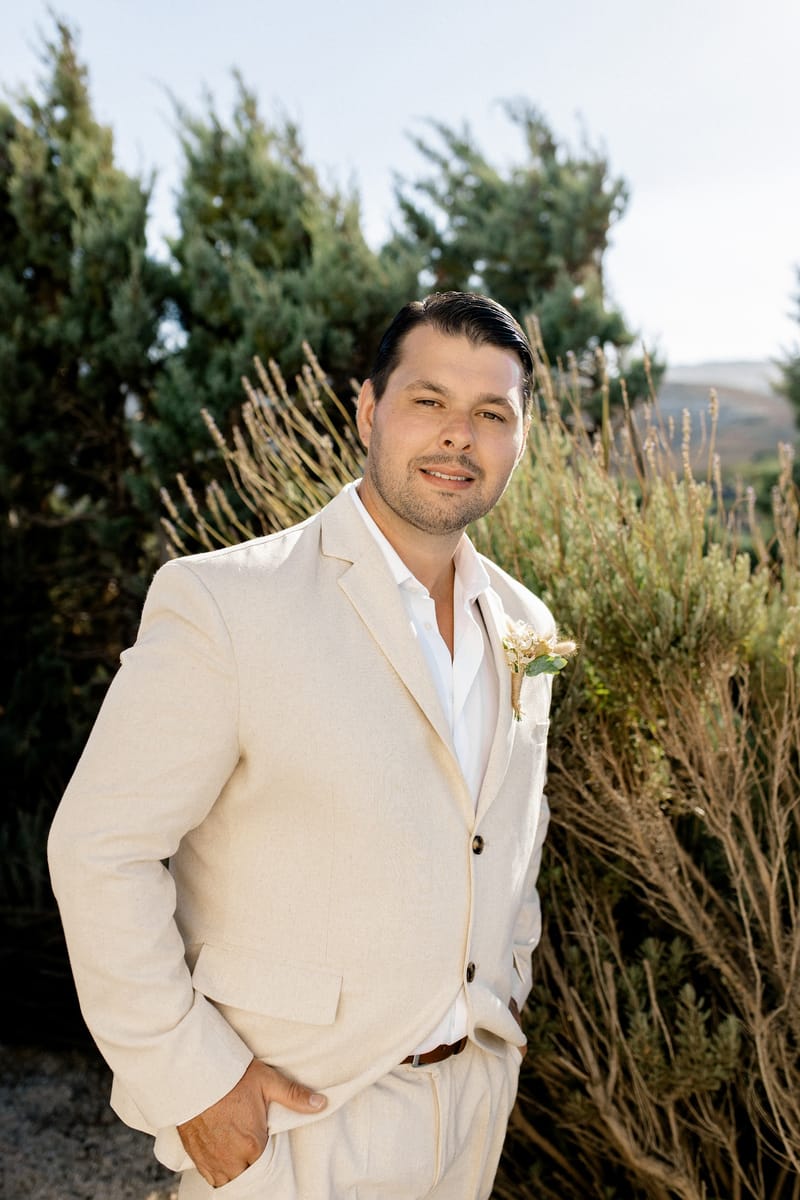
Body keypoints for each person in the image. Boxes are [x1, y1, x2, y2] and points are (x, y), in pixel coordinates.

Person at [48, 291, 557, 1200]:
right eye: (428, 401)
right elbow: (100, 851)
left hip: (470, 1109)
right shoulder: (227, 603)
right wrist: (191, 1081)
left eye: (492, 414)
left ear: (520, 438)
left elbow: (513, 827)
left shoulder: (527, 625)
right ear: (368, 409)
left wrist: (507, 989)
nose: (458, 437)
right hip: (295, 1125)